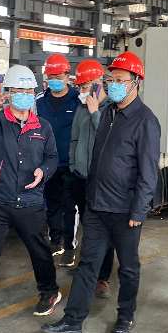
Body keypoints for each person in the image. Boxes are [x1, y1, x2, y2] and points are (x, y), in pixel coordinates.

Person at [41, 51, 160, 333]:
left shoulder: (145, 121)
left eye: (120, 80)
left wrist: (139, 211)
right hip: (97, 206)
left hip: (125, 211)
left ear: (136, 82)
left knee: (128, 268)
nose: (114, 85)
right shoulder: (107, 113)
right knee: (87, 264)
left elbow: (148, 172)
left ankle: (125, 317)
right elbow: (97, 157)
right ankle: (73, 320)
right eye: (111, 80)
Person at [0, 65, 60, 331]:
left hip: (30, 201)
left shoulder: (43, 127)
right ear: (8, 92)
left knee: (39, 251)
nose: (24, 95)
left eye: (28, 91)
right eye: (19, 91)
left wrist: (44, 171)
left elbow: (52, 157)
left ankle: (49, 291)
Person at [69, 59, 115, 298]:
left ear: (98, 83)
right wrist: (72, 165)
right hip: (80, 177)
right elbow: (75, 139)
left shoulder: (111, 109)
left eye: (86, 86)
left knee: (103, 231)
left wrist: (95, 112)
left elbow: (109, 139)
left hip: (100, 181)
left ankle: (102, 277)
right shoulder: (80, 107)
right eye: (80, 86)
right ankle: (87, 267)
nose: (82, 90)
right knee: (87, 227)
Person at [37, 53, 80, 265]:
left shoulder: (78, 100)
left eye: (58, 76)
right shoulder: (39, 102)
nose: (54, 80)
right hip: (47, 164)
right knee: (51, 204)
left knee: (69, 207)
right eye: (51, 76)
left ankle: (70, 246)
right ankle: (56, 241)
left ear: (67, 75)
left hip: (70, 164)